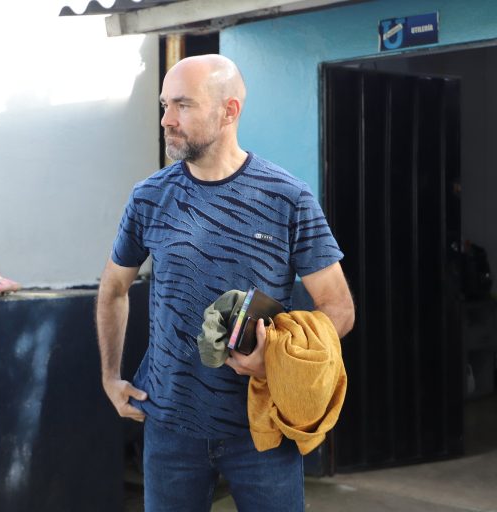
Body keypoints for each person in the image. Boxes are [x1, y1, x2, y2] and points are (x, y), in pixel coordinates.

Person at [96, 54, 355, 512]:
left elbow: (338, 309)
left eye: (182, 105)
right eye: (164, 105)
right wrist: (110, 377)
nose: (166, 120)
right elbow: (114, 289)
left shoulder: (287, 197)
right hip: (170, 426)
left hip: (262, 426)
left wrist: (276, 359)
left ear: (229, 110)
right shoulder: (150, 196)